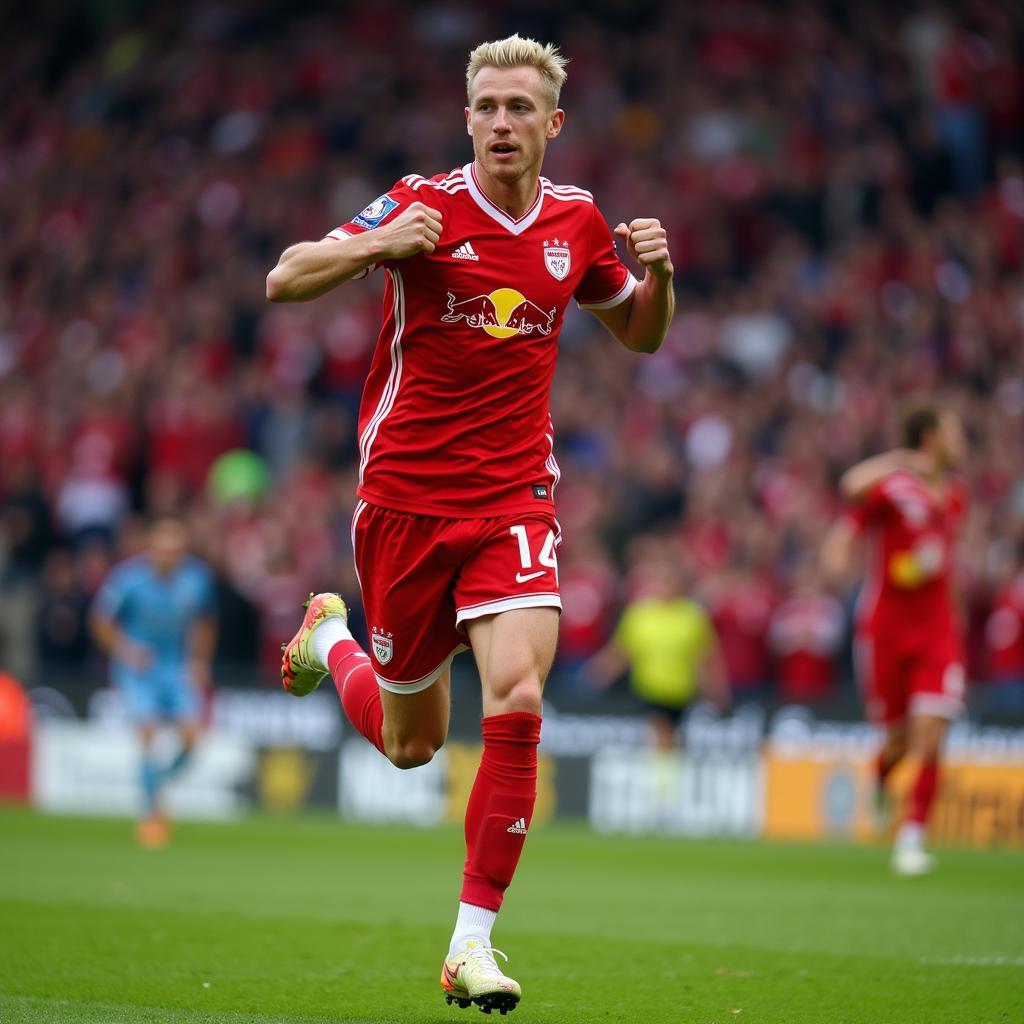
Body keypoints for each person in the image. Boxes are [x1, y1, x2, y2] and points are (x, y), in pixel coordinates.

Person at [267, 35, 674, 1015]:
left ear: (552, 124)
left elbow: (637, 330)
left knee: (521, 693)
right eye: (486, 106)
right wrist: (377, 247)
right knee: (412, 746)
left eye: (519, 109)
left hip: (514, 500)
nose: (501, 122)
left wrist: (660, 279)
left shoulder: (575, 221)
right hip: (404, 503)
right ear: (466, 119)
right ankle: (330, 634)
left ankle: (470, 943)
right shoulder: (421, 203)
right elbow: (283, 276)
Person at [822, 401, 968, 876]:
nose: (961, 439)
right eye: (952, 429)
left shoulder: (956, 495)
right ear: (930, 438)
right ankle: (883, 778)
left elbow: (941, 560)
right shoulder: (894, 485)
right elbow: (850, 493)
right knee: (899, 740)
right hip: (885, 627)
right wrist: (902, 458)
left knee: (932, 732)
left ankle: (912, 838)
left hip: (937, 629)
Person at [90, 517, 216, 847]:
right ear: (151, 549)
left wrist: (198, 662)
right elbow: (100, 620)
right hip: (138, 669)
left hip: (175, 668)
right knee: (148, 732)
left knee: (192, 739)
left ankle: (155, 782)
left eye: (175, 551)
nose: (169, 556)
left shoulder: (196, 579)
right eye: (163, 550)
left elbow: (205, 622)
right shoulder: (127, 579)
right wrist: (125, 650)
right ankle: (152, 815)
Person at [585, 554, 728, 749]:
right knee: (662, 737)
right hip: (650, 691)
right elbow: (621, 653)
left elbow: (705, 658)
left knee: (675, 744)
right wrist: (595, 676)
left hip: (681, 693)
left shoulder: (692, 616)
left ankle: (667, 775)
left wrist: (715, 692)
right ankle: (662, 777)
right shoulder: (640, 614)